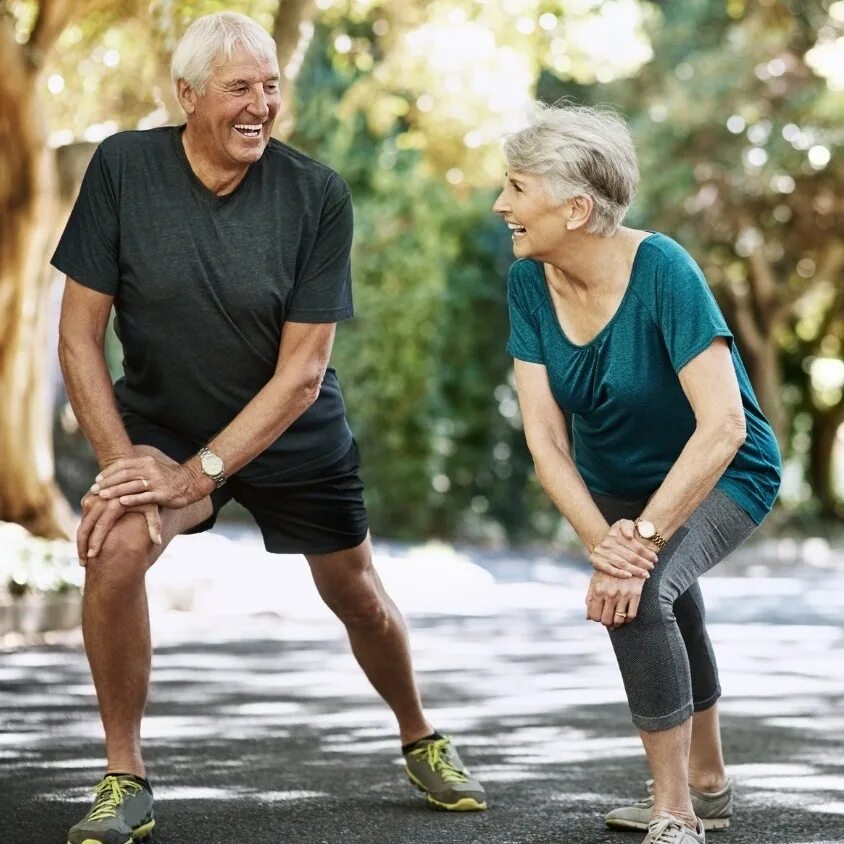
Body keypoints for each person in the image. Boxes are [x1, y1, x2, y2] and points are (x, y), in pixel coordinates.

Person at [54, 12, 486, 844]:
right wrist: (121, 469)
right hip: (164, 423)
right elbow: (78, 335)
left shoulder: (316, 194)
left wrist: (200, 474)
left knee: (357, 594)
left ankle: (419, 732)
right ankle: (124, 776)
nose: (261, 105)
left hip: (291, 431)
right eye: (239, 88)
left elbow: (302, 375)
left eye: (271, 86)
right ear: (185, 96)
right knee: (114, 547)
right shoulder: (123, 168)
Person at [494, 102, 780, 844]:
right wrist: (604, 542)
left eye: (517, 189)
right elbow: (546, 440)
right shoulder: (530, 281)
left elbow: (724, 426)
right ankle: (708, 786)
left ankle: (676, 812)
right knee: (662, 596)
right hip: (616, 487)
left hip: (721, 472)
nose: (502, 206)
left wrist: (639, 547)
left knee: (642, 593)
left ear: (577, 207)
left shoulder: (663, 271)